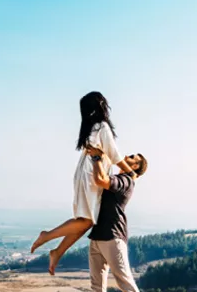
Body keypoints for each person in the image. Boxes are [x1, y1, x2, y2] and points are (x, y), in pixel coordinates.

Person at [31, 92, 137, 275]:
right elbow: (114, 154)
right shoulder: (102, 127)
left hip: (84, 174)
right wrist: (131, 172)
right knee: (85, 221)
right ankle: (47, 236)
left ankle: (58, 252)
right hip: (89, 176)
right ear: (101, 105)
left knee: (84, 221)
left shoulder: (91, 128)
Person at [74, 146, 148, 292]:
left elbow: (101, 181)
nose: (128, 155)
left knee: (126, 284)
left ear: (135, 168)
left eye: (133, 157)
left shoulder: (126, 180)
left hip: (113, 238)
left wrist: (97, 156)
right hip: (98, 237)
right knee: (97, 287)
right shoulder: (118, 176)